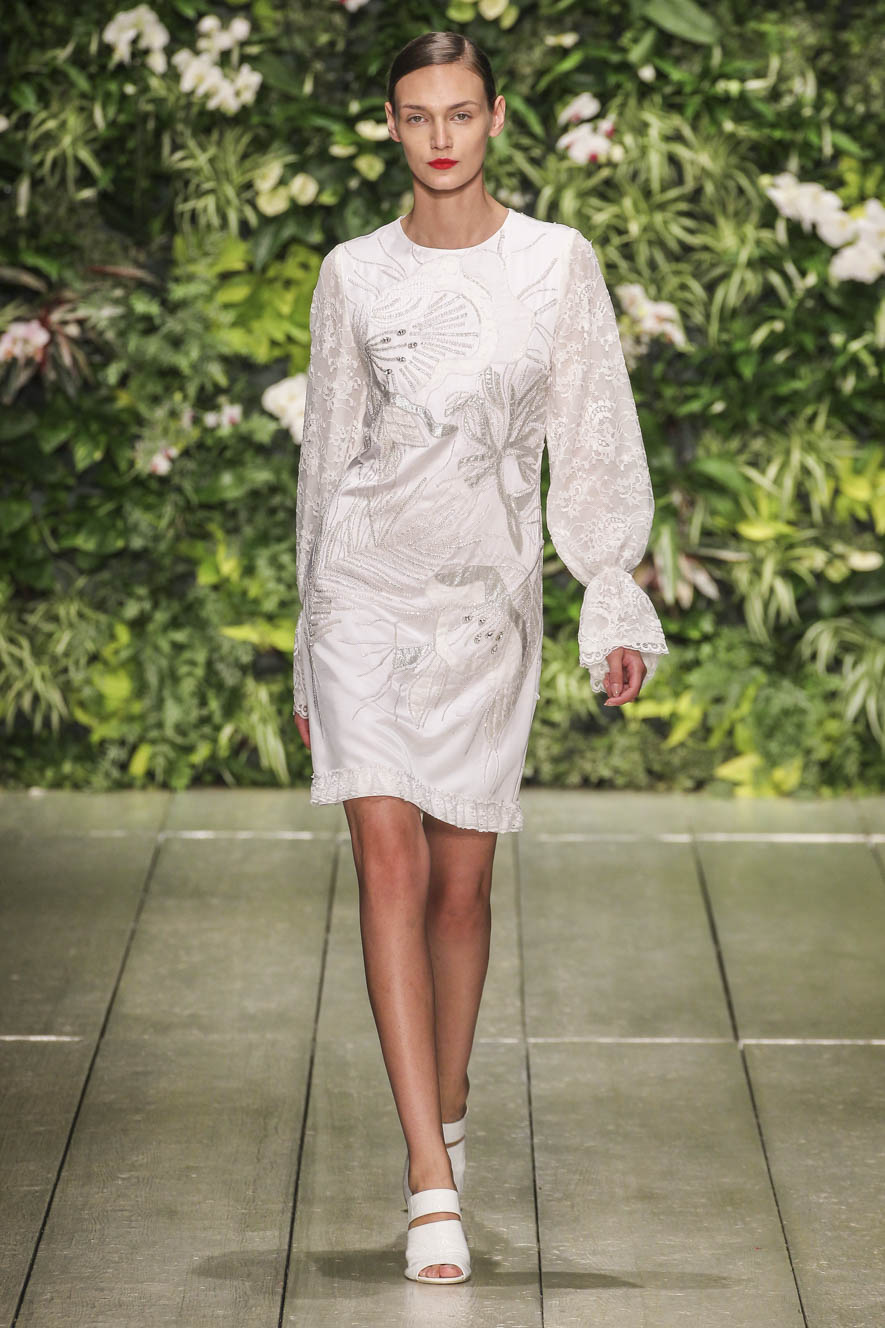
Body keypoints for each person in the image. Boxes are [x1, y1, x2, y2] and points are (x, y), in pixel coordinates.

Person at [291, 30, 669, 1284]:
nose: (440, 137)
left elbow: (592, 430)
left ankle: (446, 1106)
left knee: (461, 889)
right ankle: (428, 1176)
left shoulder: (556, 263)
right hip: (363, 594)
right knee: (387, 861)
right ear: (390, 125)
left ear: (496, 118)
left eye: (460, 112)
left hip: (484, 609)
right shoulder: (354, 273)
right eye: (417, 115)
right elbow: (327, 457)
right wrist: (305, 642)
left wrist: (609, 587)